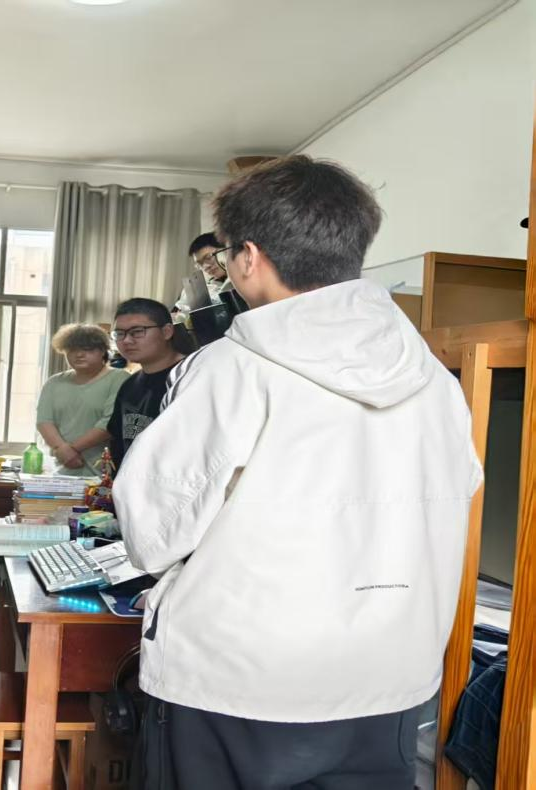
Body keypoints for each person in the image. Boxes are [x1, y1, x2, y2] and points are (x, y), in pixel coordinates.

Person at [113, 155, 482, 790]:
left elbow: (154, 530)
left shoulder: (229, 368)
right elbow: (460, 491)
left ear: (248, 257)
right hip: (387, 675)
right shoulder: (433, 376)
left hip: (239, 680)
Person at [36, 323, 130, 476]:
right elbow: (44, 421)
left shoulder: (119, 378)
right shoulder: (54, 382)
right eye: (72, 350)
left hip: (104, 472)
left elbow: (110, 422)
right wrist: (62, 449)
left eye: (88, 349)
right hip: (60, 471)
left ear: (102, 351)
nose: (79, 354)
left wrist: (72, 450)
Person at [106, 298, 185, 472]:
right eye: (119, 334)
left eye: (137, 332)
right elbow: (117, 441)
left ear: (167, 331)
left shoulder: (188, 378)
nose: (126, 340)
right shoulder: (129, 385)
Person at [172, 231, 232, 320]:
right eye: (200, 264)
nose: (205, 266)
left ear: (225, 250)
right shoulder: (201, 289)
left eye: (208, 258)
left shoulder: (243, 280)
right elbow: (175, 316)